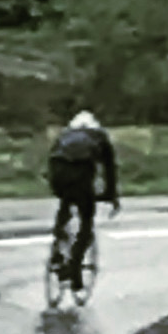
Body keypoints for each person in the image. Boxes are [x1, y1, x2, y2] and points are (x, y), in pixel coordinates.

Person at [47, 108, 120, 287]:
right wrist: (110, 196)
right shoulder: (99, 137)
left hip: (57, 174)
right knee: (86, 223)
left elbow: (52, 159)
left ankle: (59, 240)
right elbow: (109, 170)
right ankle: (75, 268)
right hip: (80, 177)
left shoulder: (65, 135)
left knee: (65, 203)